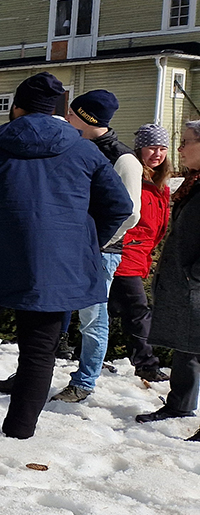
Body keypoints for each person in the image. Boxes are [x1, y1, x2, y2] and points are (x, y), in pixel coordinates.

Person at [0, 73, 133, 439]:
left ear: (16, 107)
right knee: (39, 351)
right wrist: (82, 248)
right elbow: (119, 206)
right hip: (55, 271)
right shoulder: (83, 150)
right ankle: (20, 431)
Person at [45, 90, 142, 402]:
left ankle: (84, 382)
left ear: (88, 117)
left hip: (100, 251)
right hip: (67, 245)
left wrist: (96, 242)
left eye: (74, 114)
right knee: (46, 309)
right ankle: (33, 370)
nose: (68, 118)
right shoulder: (75, 146)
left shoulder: (123, 158)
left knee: (92, 317)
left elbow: (129, 212)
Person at [135, 120, 200, 442]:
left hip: (196, 281)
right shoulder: (193, 183)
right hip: (187, 281)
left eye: (186, 141)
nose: (179, 149)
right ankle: (179, 404)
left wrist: (195, 273)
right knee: (188, 345)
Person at [109, 124, 172, 383]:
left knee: (110, 308)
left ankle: (94, 355)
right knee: (137, 309)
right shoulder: (133, 178)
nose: (157, 154)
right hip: (125, 253)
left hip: (141, 256)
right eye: (151, 148)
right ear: (139, 149)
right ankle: (146, 364)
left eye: (162, 148)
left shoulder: (162, 187)